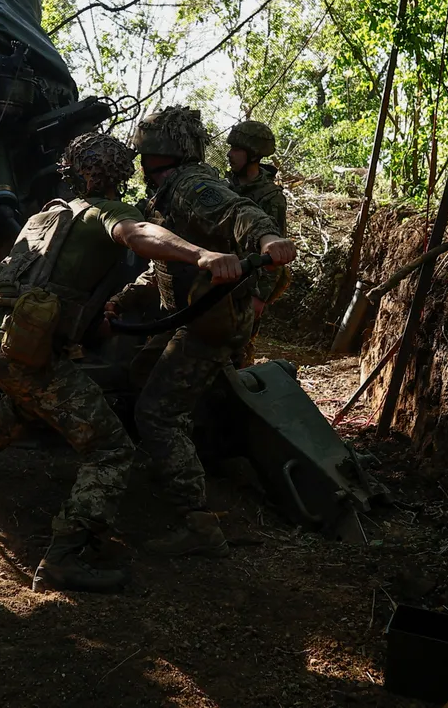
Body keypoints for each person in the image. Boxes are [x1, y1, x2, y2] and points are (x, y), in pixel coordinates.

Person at [0, 132, 243, 593]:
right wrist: (201, 253)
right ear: (122, 175)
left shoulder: (46, 213)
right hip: (29, 353)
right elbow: (139, 235)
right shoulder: (105, 211)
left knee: (29, 402)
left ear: (71, 173)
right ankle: (65, 558)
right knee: (111, 449)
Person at [107, 106, 296, 559]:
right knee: (143, 372)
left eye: (143, 152)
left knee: (157, 413)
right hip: (186, 316)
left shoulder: (192, 185)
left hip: (210, 320)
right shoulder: (168, 189)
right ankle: (176, 461)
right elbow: (164, 266)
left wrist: (268, 241)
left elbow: (238, 212)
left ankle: (196, 522)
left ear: (159, 152)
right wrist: (124, 299)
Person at [226, 119, 289, 366]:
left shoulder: (271, 198)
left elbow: (275, 253)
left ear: (253, 155)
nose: (229, 155)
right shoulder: (224, 187)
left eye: (236, 150)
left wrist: (260, 297)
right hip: (220, 278)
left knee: (238, 353)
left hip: (248, 284)